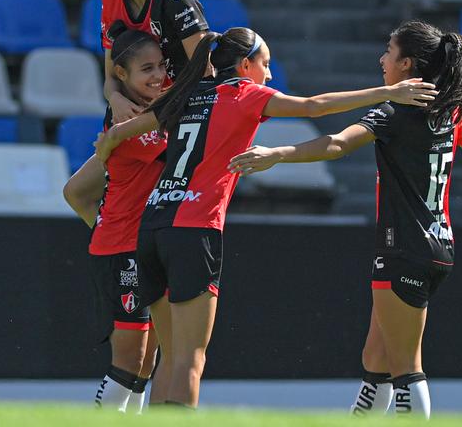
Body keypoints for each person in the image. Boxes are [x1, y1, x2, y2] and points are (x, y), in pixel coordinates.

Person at [228, 21, 462, 418]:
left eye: (389, 51)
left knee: (407, 367)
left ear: (406, 64)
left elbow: (336, 144)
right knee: (376, 359)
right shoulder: (446, 110)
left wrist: (277, 154)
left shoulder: (394, 112)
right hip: (436, 246)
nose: (382, 58)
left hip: (405, 246)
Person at [93, 27, 439, 408]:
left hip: (153, 227)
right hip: (193, 230)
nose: (270, 75)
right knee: (190, 361)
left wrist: (107, 142)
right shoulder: (246, 94)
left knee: (171, 358)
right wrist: (388, 93)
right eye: (266, 64)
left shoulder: (187, 94)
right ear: (245, 65)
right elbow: (315, 106)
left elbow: (125, 130)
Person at [63, 0, 231, 227]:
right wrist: (115, 99)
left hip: (177, 121)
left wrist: (154, 117)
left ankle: (132, 254)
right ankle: (125, 251)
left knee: (152, 218)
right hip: (132, 122)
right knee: (77, 193)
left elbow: (205, 73)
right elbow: (112, 74)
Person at [81, 24, 168, 413]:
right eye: (146, 69)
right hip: (122, 248)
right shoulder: (130, 124)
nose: (159, 76)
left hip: (138, 246)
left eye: (162, 66)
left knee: (147, 359)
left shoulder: (149, 111)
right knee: (130, 357)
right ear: (121, 76)